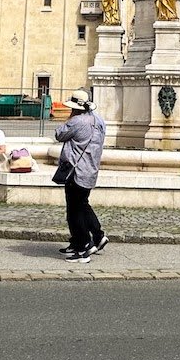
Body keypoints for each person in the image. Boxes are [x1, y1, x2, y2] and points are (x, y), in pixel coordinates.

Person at [54, 89, 107, 262]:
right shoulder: (98, 120)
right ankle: (93, 237)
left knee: (75, 209)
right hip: (90, 169)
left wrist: (70, 118)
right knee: (82, 204)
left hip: (75, 171)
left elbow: (59, 134)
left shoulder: (76, 121)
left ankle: (85, 245)